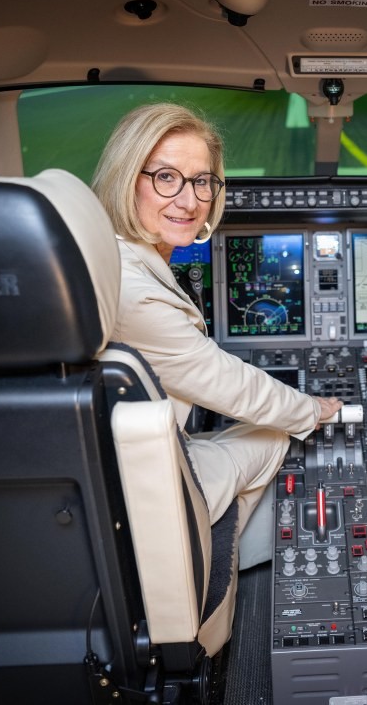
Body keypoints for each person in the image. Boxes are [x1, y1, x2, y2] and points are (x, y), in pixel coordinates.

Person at [92, 102, 343, 568]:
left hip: (122, 460)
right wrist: (315, 410)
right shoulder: (132, 289)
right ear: (127, 177)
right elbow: (226, 381)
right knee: (274, 434)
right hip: (135, 488)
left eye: (202, 181)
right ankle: (209, 562)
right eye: (166, 177)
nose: (189, 201)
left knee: (246, 432)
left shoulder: (113, 256)